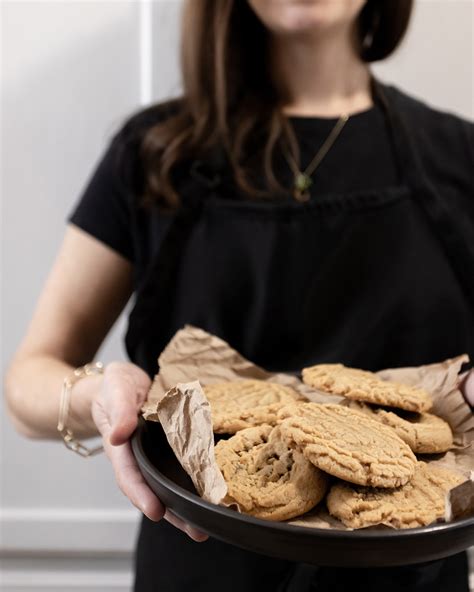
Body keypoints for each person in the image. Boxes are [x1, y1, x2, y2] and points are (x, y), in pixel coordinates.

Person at [5, 0, 474, 590]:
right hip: (195, 566)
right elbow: (26, 385)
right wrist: (102, 393)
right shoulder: (154, 151)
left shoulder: (461, 159)